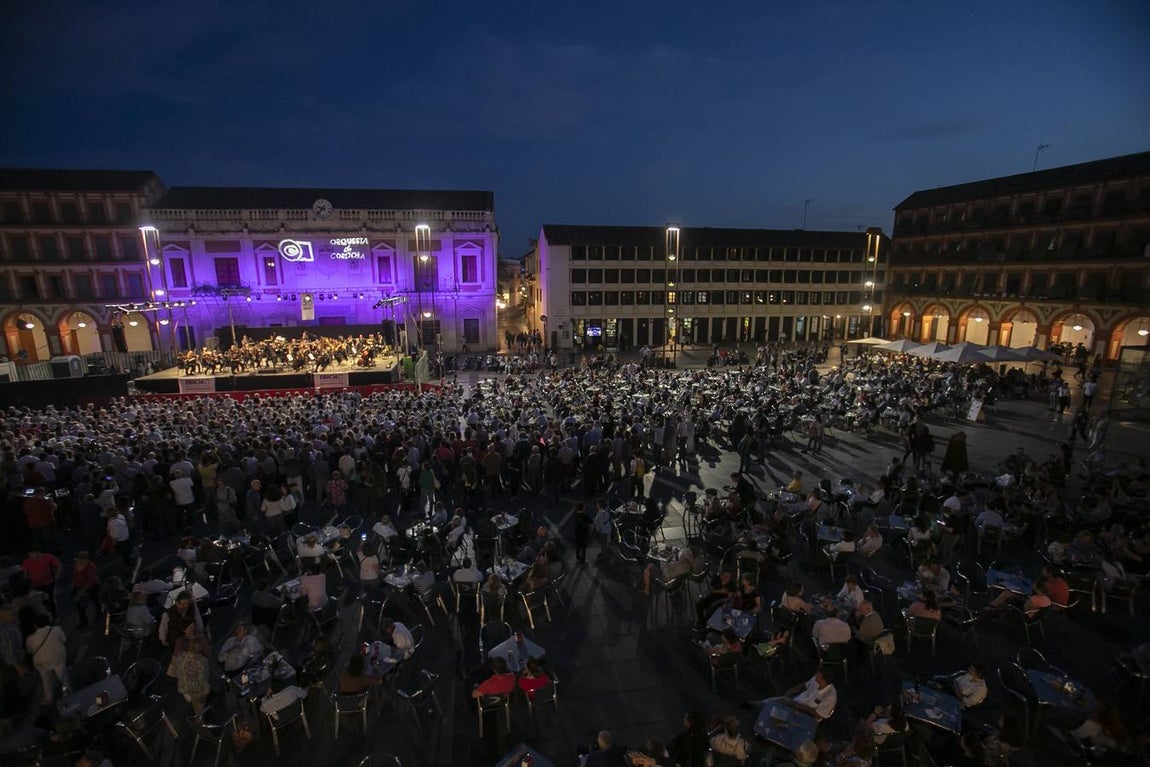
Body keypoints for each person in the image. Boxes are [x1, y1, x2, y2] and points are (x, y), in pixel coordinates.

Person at [26, 614, 67, 704]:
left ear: (35, 625)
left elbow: (30, 651)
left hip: (41, 661)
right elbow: (63, 639)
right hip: (57, 657)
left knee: (45, 678)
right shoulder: (57, 630)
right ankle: (67, 693)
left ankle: (49, 697)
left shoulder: (30, 639)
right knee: (63, 676)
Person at [171, 628, 211, 714]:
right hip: (195, 691)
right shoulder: (201, 661)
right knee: (202, 696)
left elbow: (172, 671)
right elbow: (202, 681)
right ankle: (200, 719)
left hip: (183, 689)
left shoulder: (180, 655)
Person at [69, 552, 99, 628]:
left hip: (92, 587)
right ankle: (83, 620)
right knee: (79, 605)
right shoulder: (76, 565)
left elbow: (90, 581)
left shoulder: (90, 566)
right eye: (77, 559)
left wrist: (81, 592)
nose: (78, 561)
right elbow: (75, 576)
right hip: (79, 586)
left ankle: (99, 616)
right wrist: (72, 586)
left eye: (81, 559)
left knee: (95, 601)